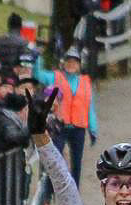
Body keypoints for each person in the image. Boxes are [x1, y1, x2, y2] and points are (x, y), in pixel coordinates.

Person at [33, 48, 98, 187]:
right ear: (64, 63)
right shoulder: (55, 77)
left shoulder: (85, 82)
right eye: (69, 61)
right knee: (56, 160)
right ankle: (51, 191)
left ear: (79, 65)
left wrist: (93, 129)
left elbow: (89, 106)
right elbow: (37, 74)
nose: (71, 64)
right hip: (59, 125)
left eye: (75, 62)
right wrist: (38, 57)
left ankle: (75, 192)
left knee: (77, 162)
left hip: (78, 127)